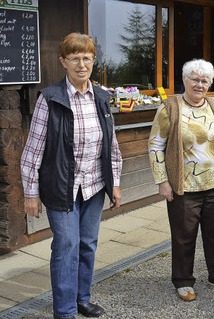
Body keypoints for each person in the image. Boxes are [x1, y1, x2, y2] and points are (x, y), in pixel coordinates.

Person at [20, 33, 122, 319]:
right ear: (63, 62)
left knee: (87, 243)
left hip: (93, 186)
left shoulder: (102, 98)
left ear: (94, 61)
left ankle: (82, 298)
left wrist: (114, 183)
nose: (81, 64)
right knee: (66, 245)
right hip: (61, 187)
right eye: (74, 58)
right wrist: (30, 192)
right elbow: (33, 149)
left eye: (86, 58)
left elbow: (111, 145)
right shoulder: (49, 99)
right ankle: (64, 311)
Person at [148, 59, 214, 302]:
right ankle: (183, 280)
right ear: (184, 80)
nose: (199, 84)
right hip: (183, 186)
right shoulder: (170, 108)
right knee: (184, 235)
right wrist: (162, 180)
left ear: (210, 83)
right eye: (195, 79)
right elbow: (156, 145)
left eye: (204, 80)